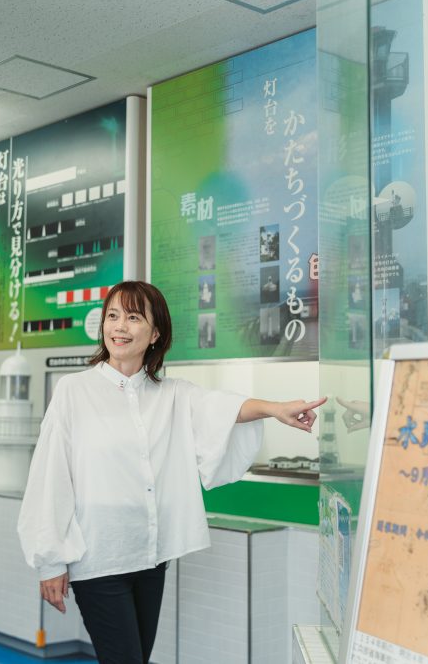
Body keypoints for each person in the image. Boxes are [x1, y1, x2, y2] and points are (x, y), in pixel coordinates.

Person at [17, 280, 326, 664]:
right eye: (112, 316)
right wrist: (49, 561)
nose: (119, 327)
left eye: (133, 318)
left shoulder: (172, 394)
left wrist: (276, 408)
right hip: (99, 558)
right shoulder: (74, 391)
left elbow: (223, 408)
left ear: (155, 332)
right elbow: (50, 478)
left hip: (151, 557)